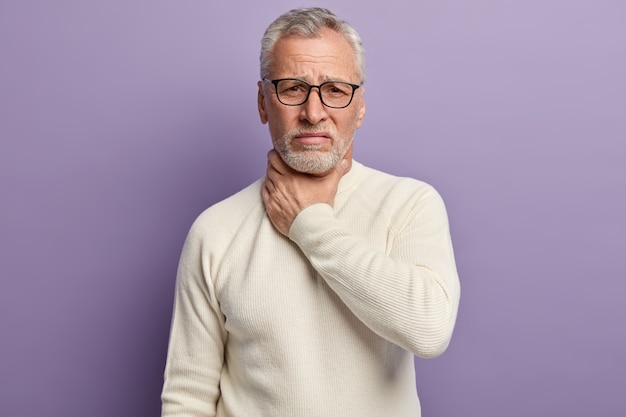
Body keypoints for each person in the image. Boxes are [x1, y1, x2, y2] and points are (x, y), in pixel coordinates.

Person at [161, 7, 460, 417]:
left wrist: (310, 224)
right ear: (264, 102)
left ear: (360, 107)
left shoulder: (409, 205)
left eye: (335, 90)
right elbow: (187, 397)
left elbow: (429, 330)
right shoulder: (216, 230)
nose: (313, 112)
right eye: (292, 89)